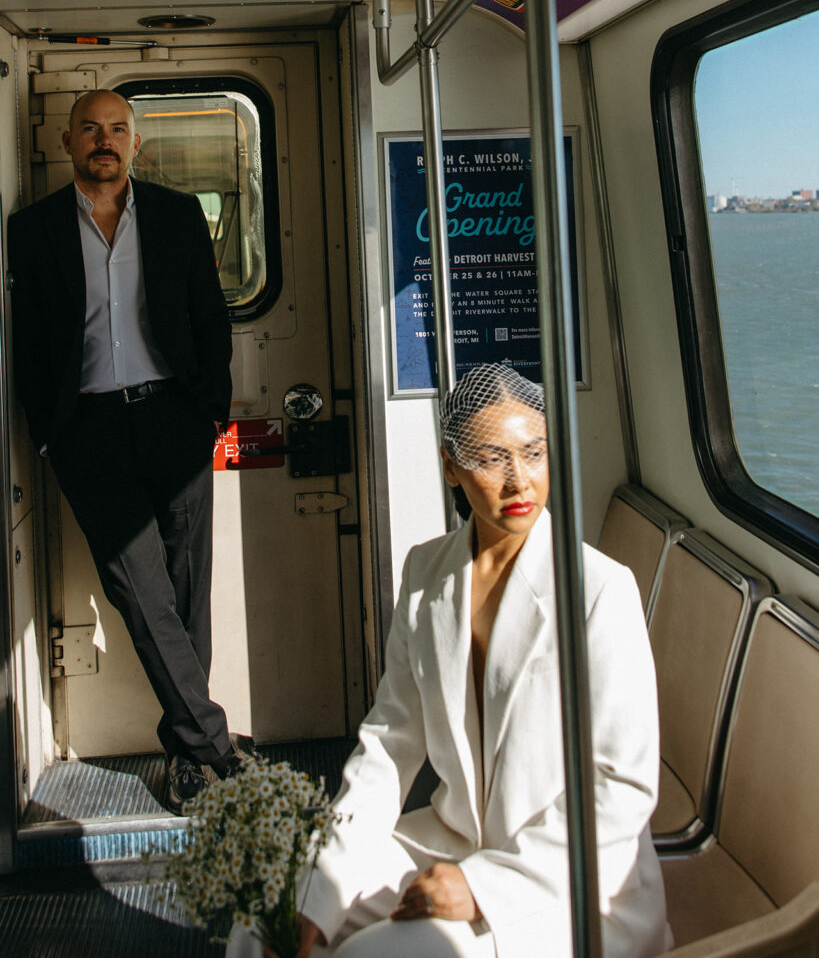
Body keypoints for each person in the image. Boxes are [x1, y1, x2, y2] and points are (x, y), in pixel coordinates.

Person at [228, 363, 672, 958]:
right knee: (266, 921)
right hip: (451, 840)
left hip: (570, 882)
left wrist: (483, 887)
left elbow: (622, 786)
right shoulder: (424, 574)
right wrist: (318, 893)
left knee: (370, 954)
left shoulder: (599, 590)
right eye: (491, 459)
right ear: (450, 466)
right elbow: (389, 747)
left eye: (533, 453)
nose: (520, 481)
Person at [8, 89, 244, 814]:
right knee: (140, 595)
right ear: (67, 141)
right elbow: (29, 342)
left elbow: (210, 317)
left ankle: (186, 758)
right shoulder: (31, 229)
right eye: (90, 130)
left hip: (173, 417)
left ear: (134, 144)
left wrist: (208, 411)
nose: (103, 141)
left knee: (185, 592)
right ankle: (219, 754)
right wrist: (49, 435)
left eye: (116, 130)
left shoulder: (175, 217)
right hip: (88, 432)